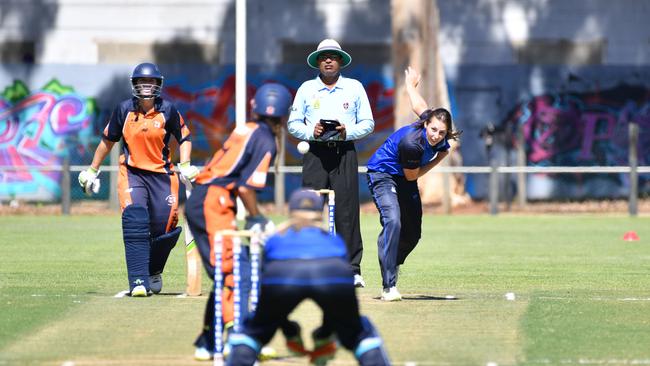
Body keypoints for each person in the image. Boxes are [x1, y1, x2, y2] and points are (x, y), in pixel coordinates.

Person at [184, 83, 292, 361]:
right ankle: (239, 340)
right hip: (213, 201)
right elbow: (245, 188)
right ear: (283, 115)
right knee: (235, 271)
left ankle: (208, 341)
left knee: (226, 272)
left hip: (207, 198)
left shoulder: (247, 127)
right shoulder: (266, 139)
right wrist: (257, 217)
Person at [227, 189, 391, 366]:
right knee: (359, 333)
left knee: (253, 332)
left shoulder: (276, 239)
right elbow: (338, 301)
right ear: (319, 214)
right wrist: (325, 335)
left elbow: (269, 296)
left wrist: (289, 331)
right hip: (331, 271)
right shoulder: (333, 240)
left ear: (291, 213)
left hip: (283, 272)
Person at [78, 62, 199, 297]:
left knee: (164, 227)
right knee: (135, 219)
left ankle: (153, 271)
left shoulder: (169, 110)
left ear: (158, 85)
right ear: (134, 85)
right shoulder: (124, 110)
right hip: (132, 173)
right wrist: (93, 170)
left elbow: (185, 137)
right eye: (142, 82)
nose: (146, 87)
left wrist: (185, 165)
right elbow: (107, 140)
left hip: (163, 175)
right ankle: (138, 280)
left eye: (151, 82)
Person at [366, 67, 461, 301]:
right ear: (426, 125)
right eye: (433, 129)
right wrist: (439, 159)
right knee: (393, 222)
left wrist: (410, 86)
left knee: (413, 233)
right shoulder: (413, 144)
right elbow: (412, 176)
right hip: (383, 174)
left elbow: (419, 106)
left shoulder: (432, 123)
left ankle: (393, 261)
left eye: (442, 132)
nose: (436, 135)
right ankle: (389, 286)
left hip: (404, 176)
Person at [287, 39, 374, 288]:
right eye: (323, 56)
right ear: (317, 61)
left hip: (345, 152)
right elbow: (293, 124)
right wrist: (312, 131)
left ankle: (352, 268)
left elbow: (368, 123)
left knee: (347, 211)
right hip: (315, 153)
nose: (328, 60)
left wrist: (347, 131)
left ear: (340, 61)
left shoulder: (354, 87)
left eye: (333, 56)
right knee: (309, 209)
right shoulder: (306, 88)